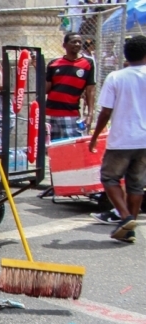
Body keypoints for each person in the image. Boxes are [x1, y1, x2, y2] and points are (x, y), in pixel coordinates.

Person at [88, 35, 146, 243]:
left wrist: (94, 137)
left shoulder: (116, 77)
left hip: (123, 138)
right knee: (136, 185)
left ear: (125, 55)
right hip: (144, 141)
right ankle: (128, 230)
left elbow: (105, 112)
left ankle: (125, 217)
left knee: (110, 178)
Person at [47, 32, 96, 141]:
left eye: (79, 42)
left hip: (71, 115)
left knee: (71, 148)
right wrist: (38, 69)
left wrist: (90, 114)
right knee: (50, 151)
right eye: (73, 42)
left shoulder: (88, 63)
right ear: (64, 45)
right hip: (49, 114)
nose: (77, 44)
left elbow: (90, 91)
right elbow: (46, 89)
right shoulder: (53, 63)